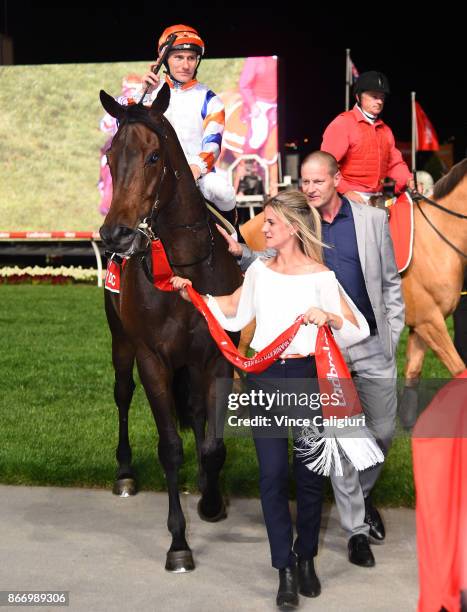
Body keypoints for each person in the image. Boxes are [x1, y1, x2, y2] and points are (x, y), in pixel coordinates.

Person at [171, 189, 370, 609]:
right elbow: (234, 312)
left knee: (311, 478)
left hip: (306, 379)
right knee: (273, 476)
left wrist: (329, 317)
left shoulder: (321, 277)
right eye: (265, 221)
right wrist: (195, 295)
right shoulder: (260, 272)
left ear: (293, 229)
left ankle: (306, 558)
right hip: (262, 379)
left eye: (271, 223)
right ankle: (283, 567)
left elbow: (358, 330)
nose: (263, 228)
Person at [219, 151, 405, 568]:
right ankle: (355, 529)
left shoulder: (371, 222)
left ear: (336, 180)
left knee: (379, 434)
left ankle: (352, 505)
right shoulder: (290, 228)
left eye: (317, 181)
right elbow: (273, 269)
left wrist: (391, 336)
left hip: (367, 344)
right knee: (329, 448)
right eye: (304, 181)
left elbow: (390, 282)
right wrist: (239, 257)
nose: (310, 187)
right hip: (317, 357)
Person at [141, 24, 236, 215]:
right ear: (164, 60)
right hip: (156, 174)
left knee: (225, 193)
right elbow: (124, 126)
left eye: (191, 58)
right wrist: (142, 94)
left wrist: (195, 169)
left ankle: (234, 240)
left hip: (197, 174)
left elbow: (213, 144)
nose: (185, 65)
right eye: (178, 57)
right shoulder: (149, 94)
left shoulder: (211, 100)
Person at [321, 71, 414, 204]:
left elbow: (394, 163)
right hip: (345, 197)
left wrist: (408, 180)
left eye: (382, 97)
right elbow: (326, 164)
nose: (379, 101)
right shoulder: (343, 123)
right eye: (374, 96)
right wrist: (346, 191)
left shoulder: (386, 130)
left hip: (377, 198)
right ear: (358, 97)